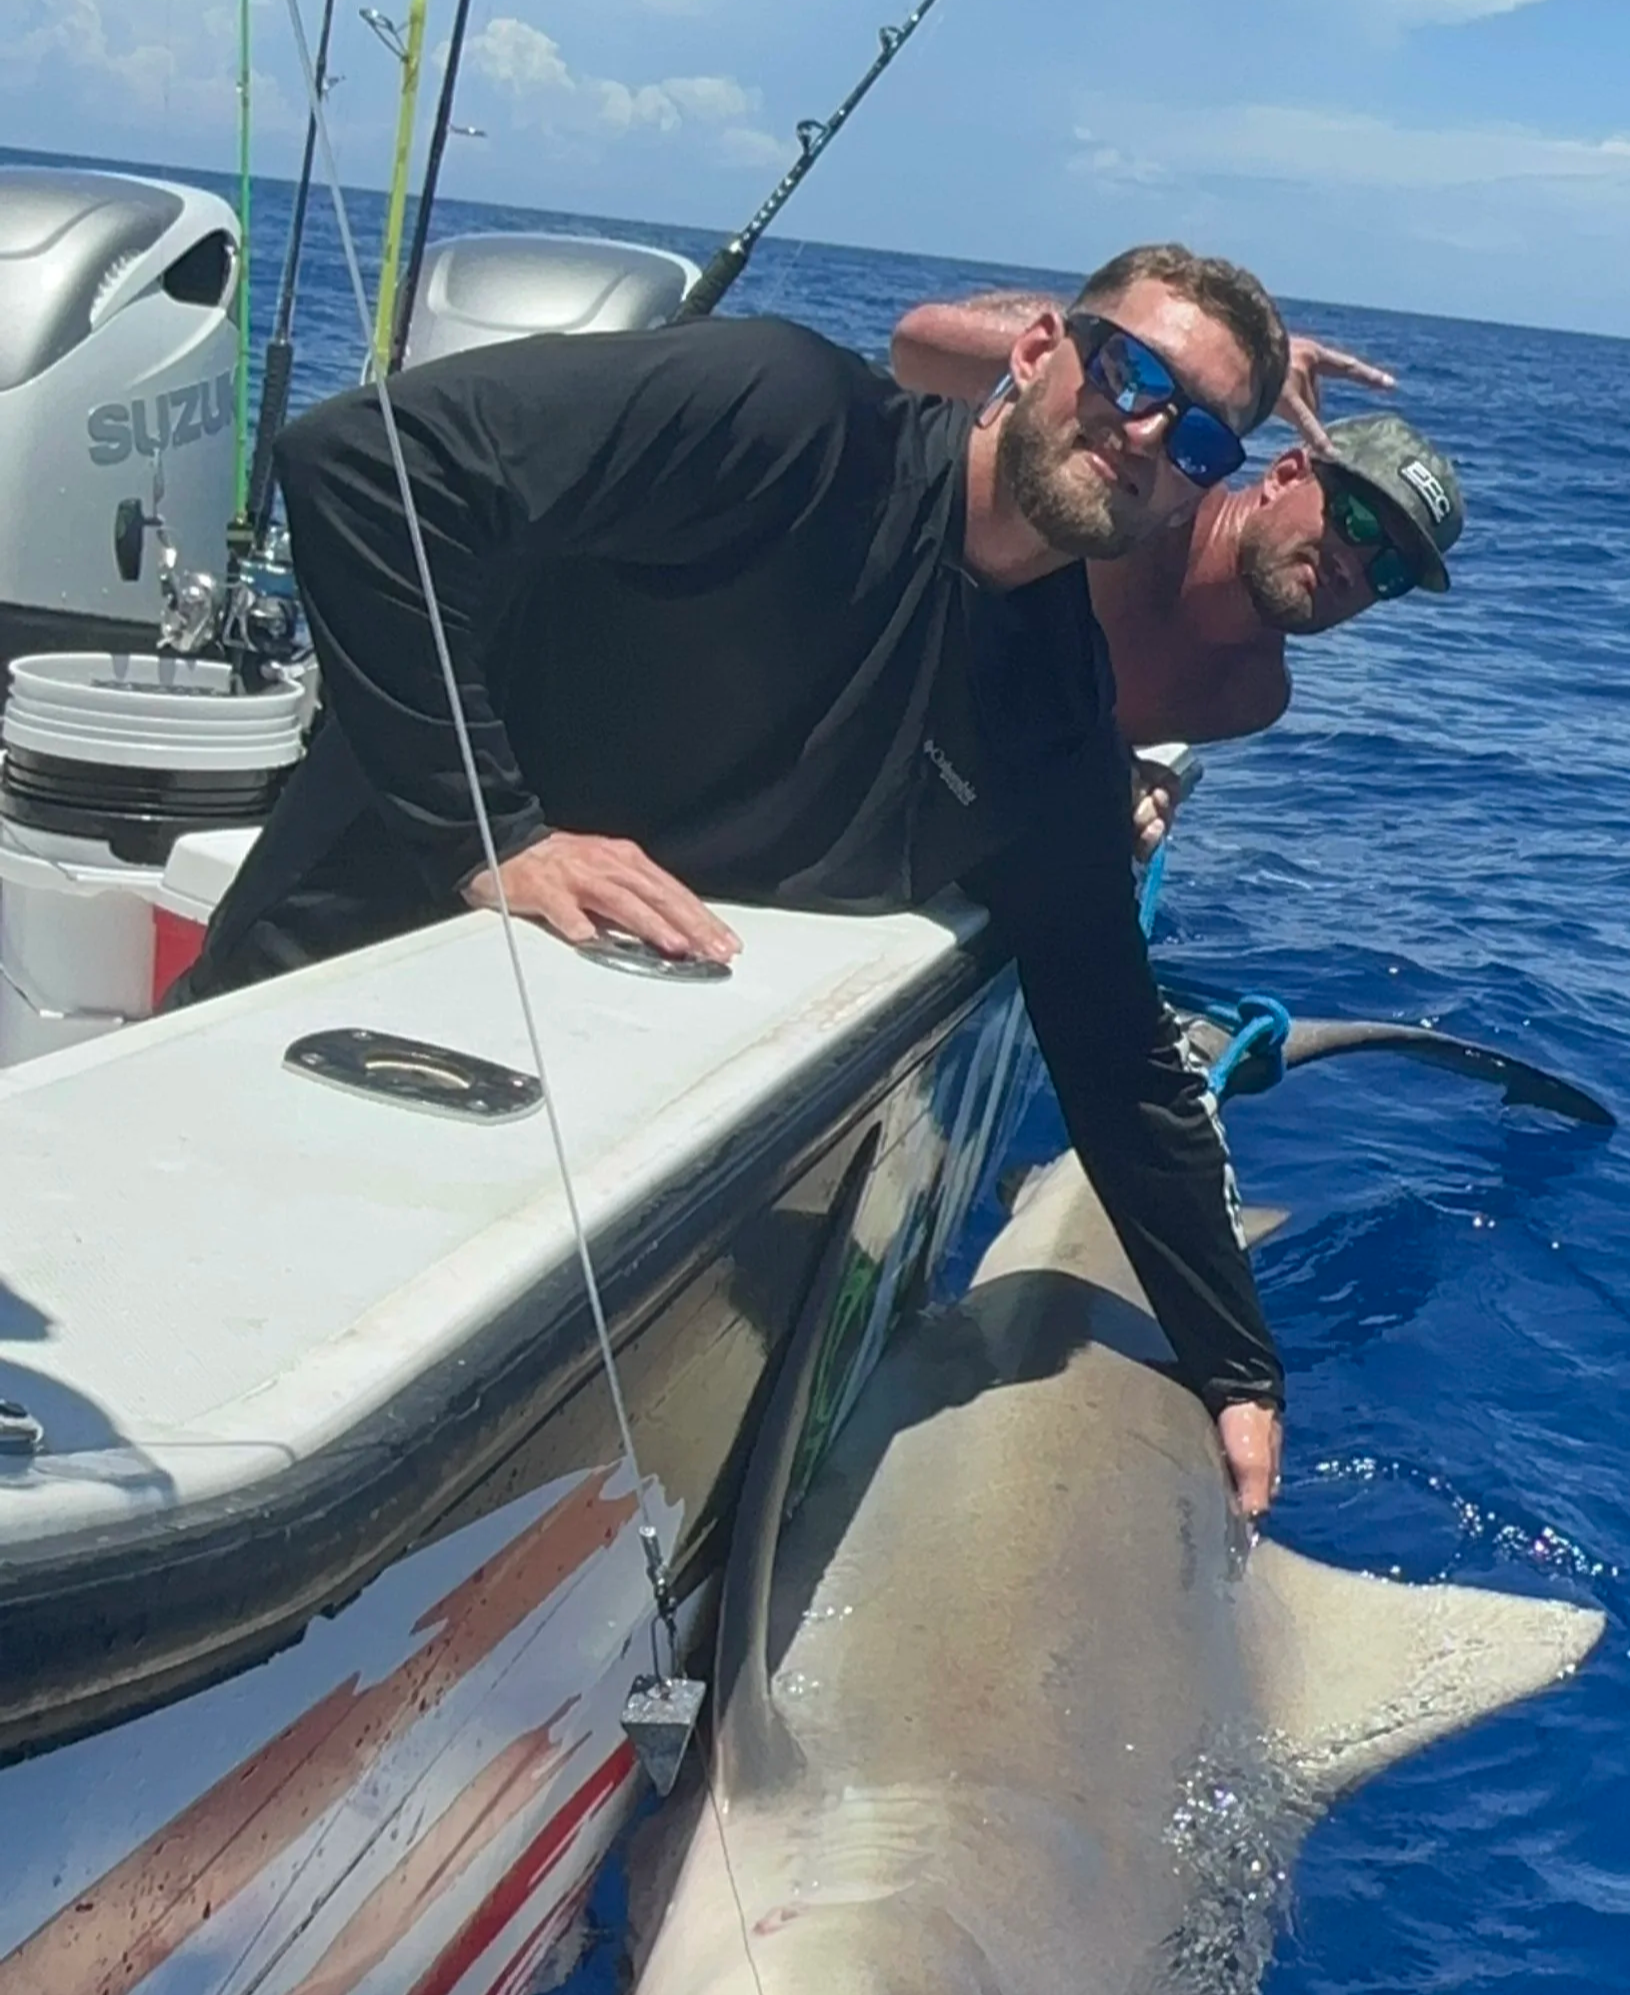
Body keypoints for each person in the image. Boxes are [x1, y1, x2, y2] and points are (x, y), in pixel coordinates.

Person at [186, 244, 1294, 1514]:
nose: (1145, 429)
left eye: (1196, 436)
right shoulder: (787, 418)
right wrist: (488, 833)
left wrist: (1237, 1370)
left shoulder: (1053, 709)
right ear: (1039, 351)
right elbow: (364, 461)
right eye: (1129, 371)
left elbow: (1114, 1047)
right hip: (310, 1026)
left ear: (1197, 491)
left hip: (544, 1197)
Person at [891, 288, 1463, 763]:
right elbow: (917, 350)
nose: (1353, 567)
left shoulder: (1249, 696)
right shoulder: (1147, 494)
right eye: (1355, 520)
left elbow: (1059, 742)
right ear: (1286, 475)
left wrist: (1125, 781)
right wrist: (1186, 364)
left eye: (1391, 571)